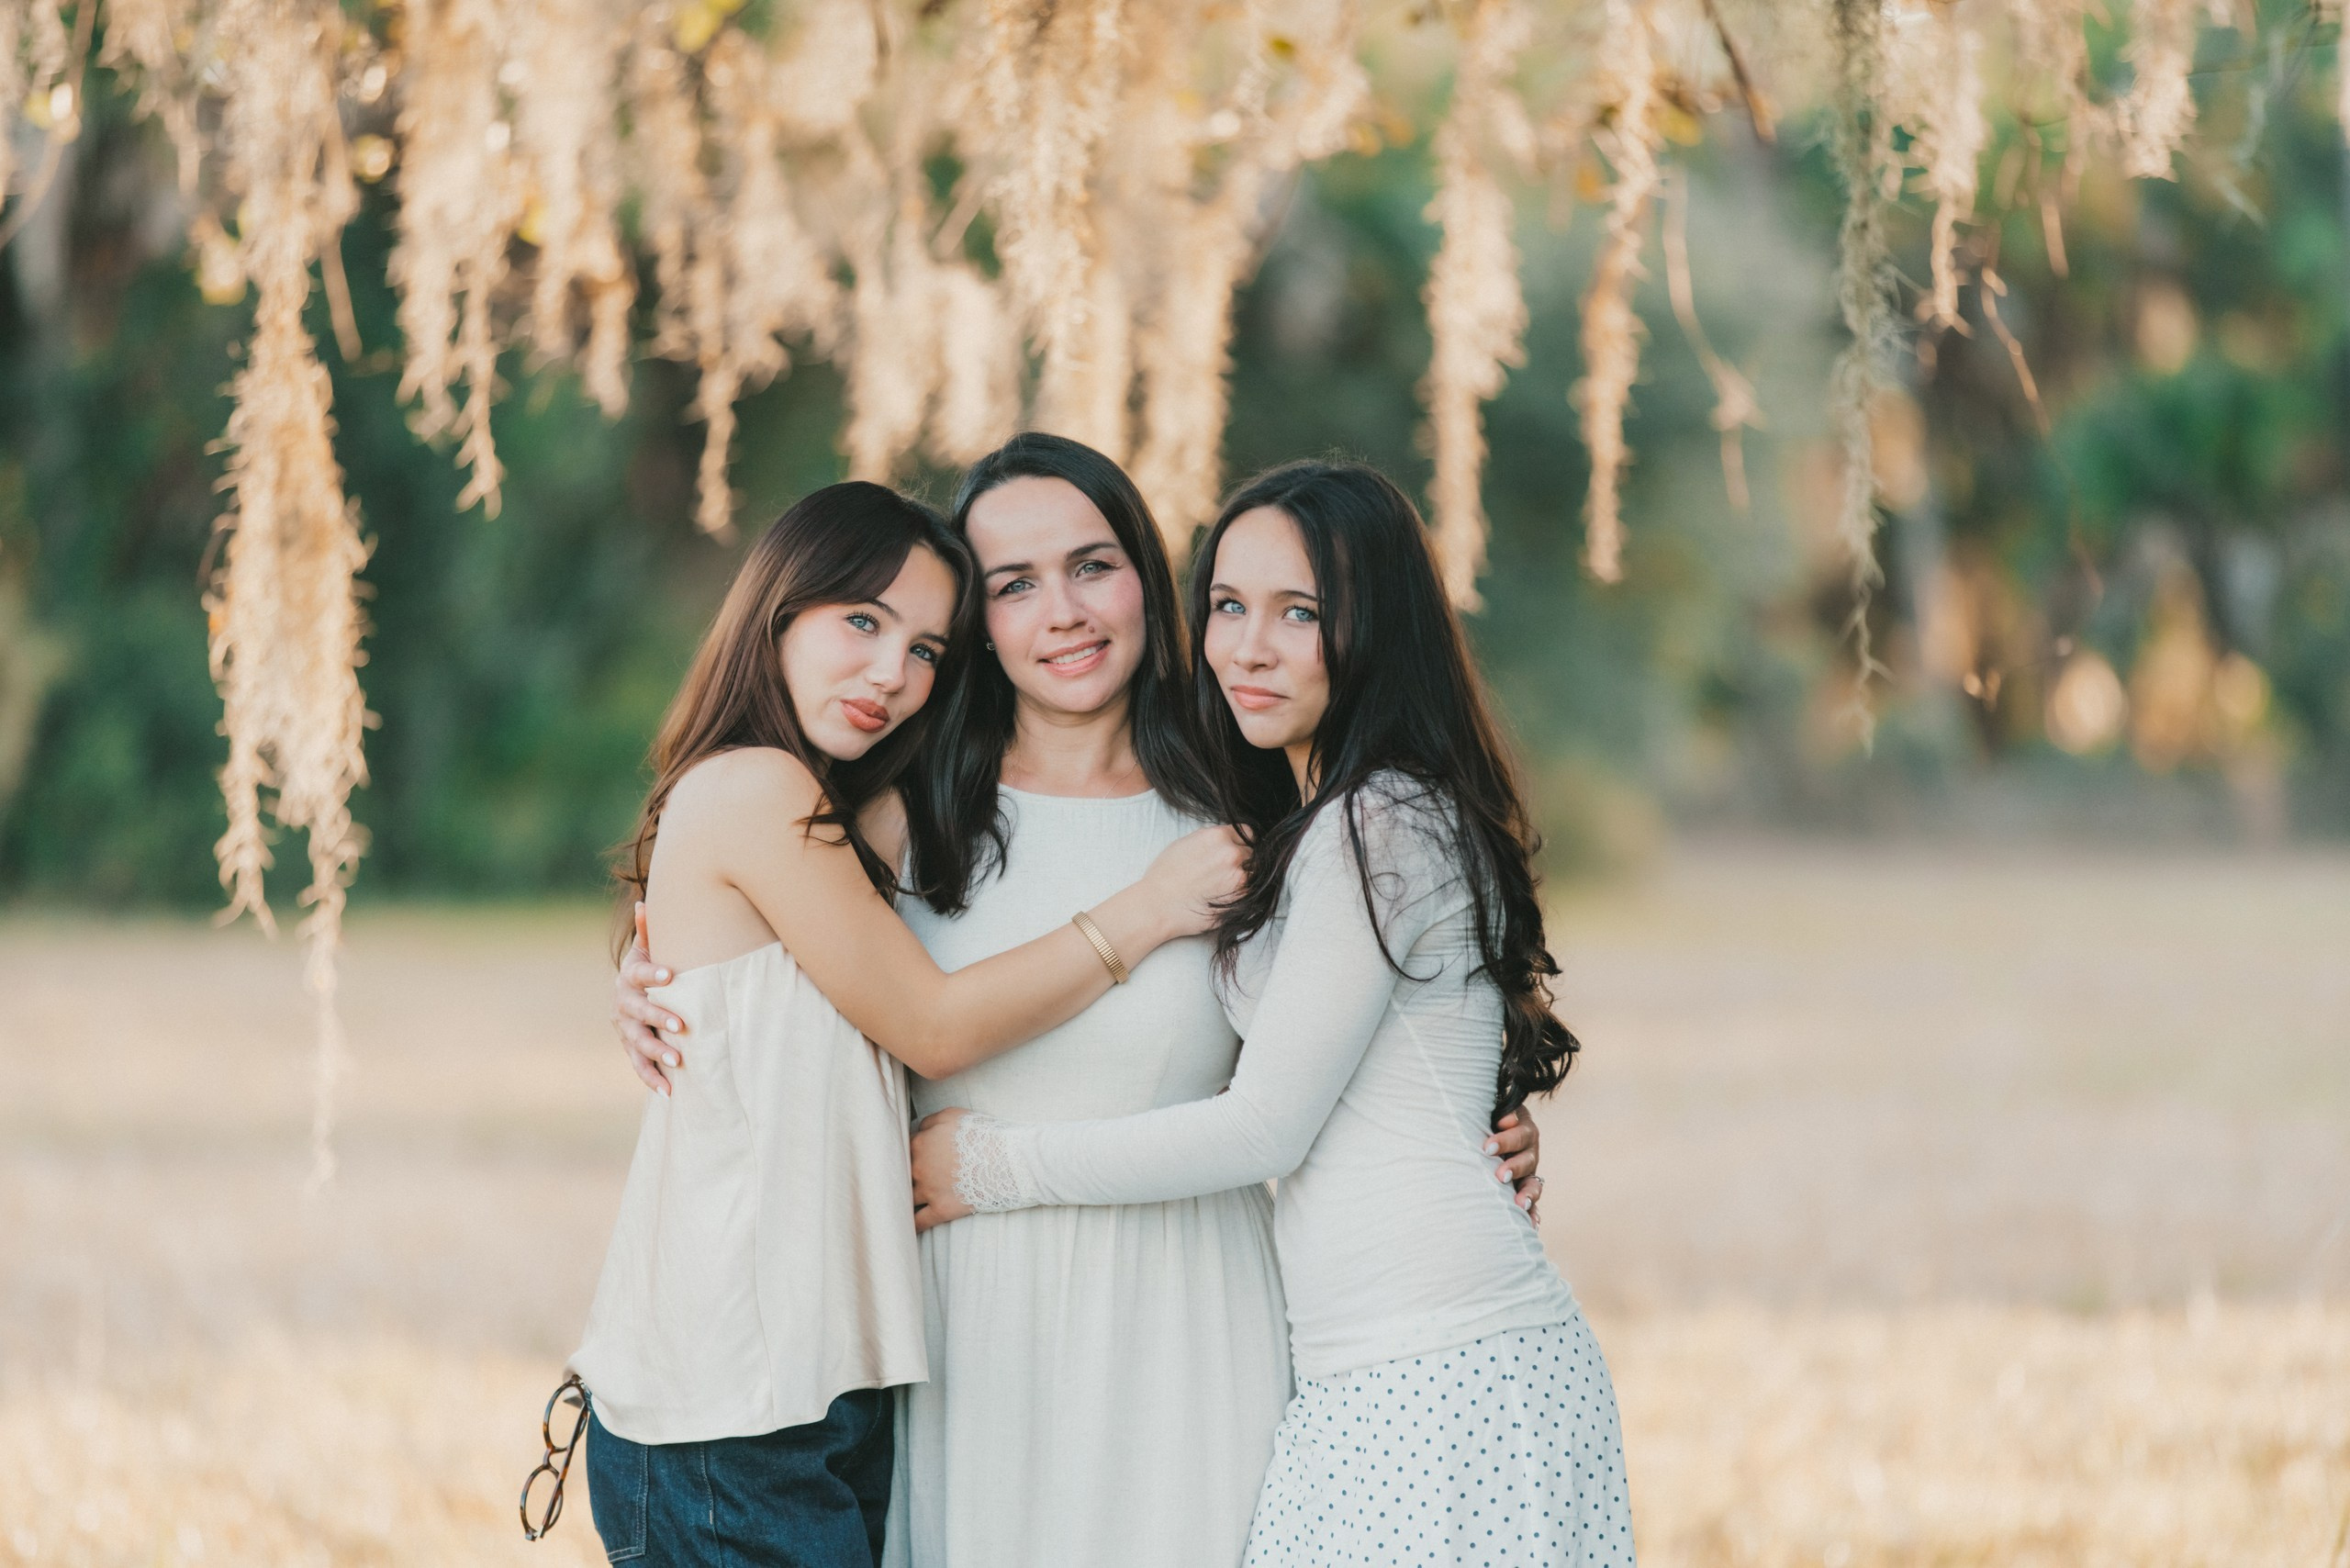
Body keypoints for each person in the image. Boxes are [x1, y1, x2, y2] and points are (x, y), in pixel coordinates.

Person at [610, 437, 1546, 1568]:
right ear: (978, 625)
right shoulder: (893, 814)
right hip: (965, 1336)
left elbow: (1389, 995)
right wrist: (642, 986)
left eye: (1094, 565)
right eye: (1012, 585)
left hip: (1195, 1321)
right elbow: (743, 953)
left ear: (1152, 581)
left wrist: (1481, 1117)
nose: (1062, 611)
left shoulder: (1247, 797)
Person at [911, 460, 1634, 1567]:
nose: (1248, 646)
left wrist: (990, 1170)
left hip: (1435, 1367)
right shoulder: (1299, 815)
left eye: (1300, 613)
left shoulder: (1376, 822)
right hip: (1366, 1368)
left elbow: (1264, 1126)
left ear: (1375, 628)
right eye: (1230, 607)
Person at [570, 479, 1243, 1568]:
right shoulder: (754, 789)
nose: (894, 672)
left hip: (821, 1393)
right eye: (863, 622)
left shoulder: (847, 811)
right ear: (777, 610)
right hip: (727, 1410)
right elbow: (932, 1023)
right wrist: (1147, 910)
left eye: (929, 649)